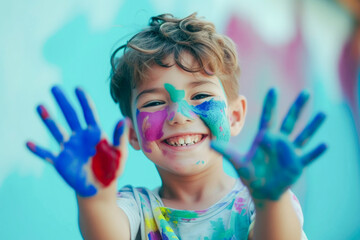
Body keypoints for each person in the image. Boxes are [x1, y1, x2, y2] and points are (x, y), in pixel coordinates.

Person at [27, 13, 326, 240]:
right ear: (132, 133)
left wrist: (272, 201)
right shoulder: (136, 207)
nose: (179, 115)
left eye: (201, 96)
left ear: (234, 117)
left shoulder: (257, 202)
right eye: (154, 103)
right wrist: (95, 198)